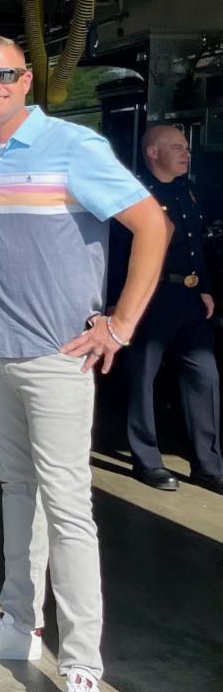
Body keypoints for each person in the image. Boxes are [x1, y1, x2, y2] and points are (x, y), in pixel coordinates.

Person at [0, 36, 170, 692]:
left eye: (4, 74)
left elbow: (151, 226)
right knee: (17, 491)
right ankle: (17, 624)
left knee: (69, 511)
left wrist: (120, 327)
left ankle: (82, 672)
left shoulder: (73, 147)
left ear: (28, 79)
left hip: (57, 358)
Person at [108, 124, 222, 492]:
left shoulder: (186, 191)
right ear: (153, 153)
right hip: (150, 299)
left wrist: (203, 287)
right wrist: (116, 302)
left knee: (205, 377)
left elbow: (194, 243)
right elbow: (120, 251)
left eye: (186, 146)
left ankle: (208, 465)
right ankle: (147, 460)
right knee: (142, 379)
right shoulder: (135, 194)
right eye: (176, 146)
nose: (186, 152)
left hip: (187, 299)